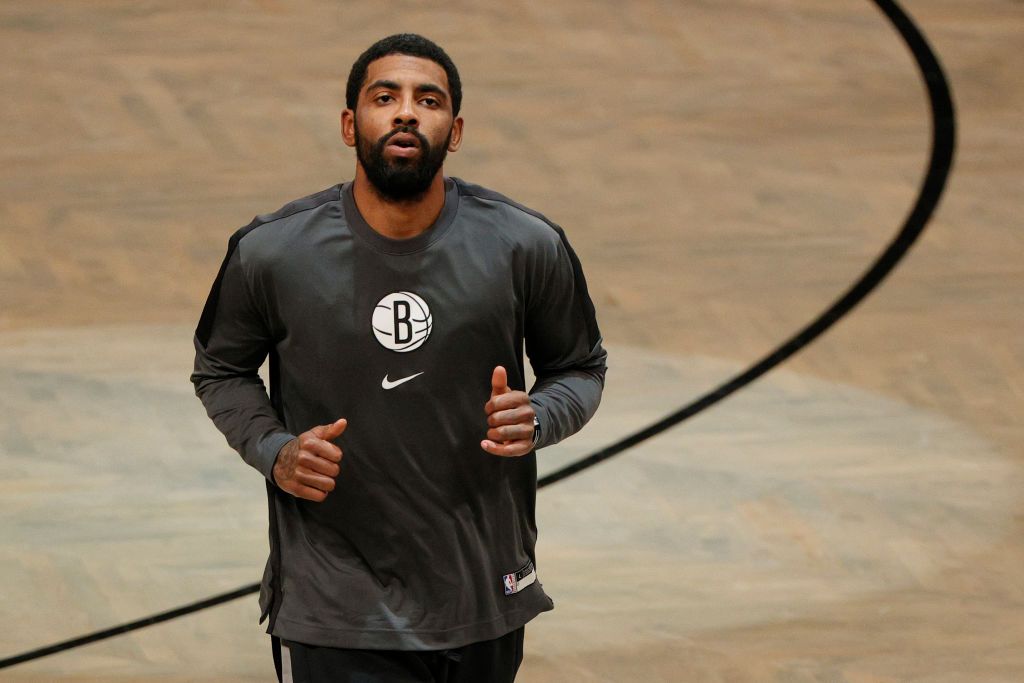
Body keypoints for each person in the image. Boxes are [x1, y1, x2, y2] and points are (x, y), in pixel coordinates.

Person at [191, 33, 607, 683]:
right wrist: (275, 450)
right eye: (385, 97)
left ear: (456, 128)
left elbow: (580, 367)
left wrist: (539, 417)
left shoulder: (524, 246)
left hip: (479, 596)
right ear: (351, 124)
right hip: (335, 603)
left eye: (428, 99)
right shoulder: (273, 253)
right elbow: (220, 368)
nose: (407, 111)